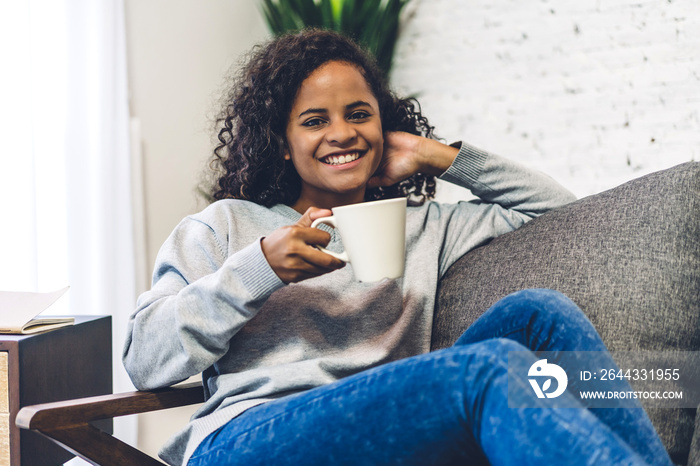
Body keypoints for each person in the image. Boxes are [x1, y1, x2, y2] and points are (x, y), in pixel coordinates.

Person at [123, 29, 671, 465]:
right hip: (251, 438)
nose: (341, 133)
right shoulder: (225, 226)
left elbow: (562, 215)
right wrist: (258, 268)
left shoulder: (424, 225)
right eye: (315, 121)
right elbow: (145, 360)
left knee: (539, 315)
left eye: (358, 114)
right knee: (491, 368)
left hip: (389, 423)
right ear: (283, 144)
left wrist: (441, 157)